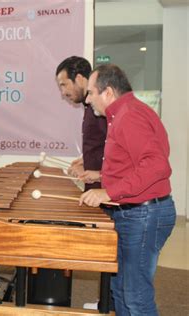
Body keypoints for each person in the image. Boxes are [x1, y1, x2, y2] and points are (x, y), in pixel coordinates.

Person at [80, 64, 176, 316]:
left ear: (108, 92)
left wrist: (108, 192)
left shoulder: (130, 115)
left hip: (143, 215)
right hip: (135, 213)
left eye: (91, 93)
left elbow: (156, 165)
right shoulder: (125, 113)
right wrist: (102, 176)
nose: (87, 99)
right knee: (120, 290)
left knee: (135, 296)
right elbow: (135, 162)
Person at [55, 56, 107, 190]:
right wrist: (87, 159)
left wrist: (98, 173)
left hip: (105, 192)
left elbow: (118, 149)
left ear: (78, 79)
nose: (63, 93)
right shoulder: (89, 107)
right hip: (96, 190)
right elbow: (102, 144)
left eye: (63, 85)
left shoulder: (99, 108)